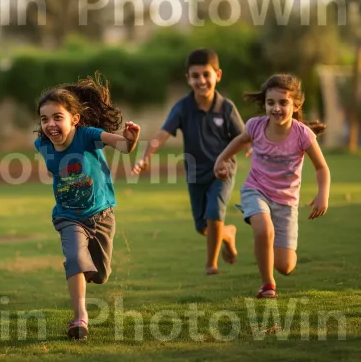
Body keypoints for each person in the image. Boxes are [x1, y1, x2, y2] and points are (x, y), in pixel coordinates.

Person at [34, 72, 140, 339]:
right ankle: (80, 318)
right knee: (74, 259)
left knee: (101, 275)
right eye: (44, 119)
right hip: (68, 216)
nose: (50, 124)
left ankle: (88, 268)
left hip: (101, 213)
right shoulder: (42, 145)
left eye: (58, 117)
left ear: (75, 119)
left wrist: (130, 138)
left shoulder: (89, 135)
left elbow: (124, 148)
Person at [214, 73, 330, 298]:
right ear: (265, 104)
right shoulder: (256, 126)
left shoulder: (303, 134)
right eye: (271, 102)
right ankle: (267, 285)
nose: (276, 108)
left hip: (286, 202)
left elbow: (321, 168)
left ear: (296, 104)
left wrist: (322, 194)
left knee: (285, 265)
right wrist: (221, 159)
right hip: (256, 190)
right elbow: (240, 140)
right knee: (263, 229)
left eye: (283, 102)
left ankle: (275, 267)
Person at [132, 49, 246, 275]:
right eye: (195, 76)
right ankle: (228, 233)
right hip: (195, 172)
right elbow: (162, 134)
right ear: (188, 78)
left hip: (222, 171)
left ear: (218, 75)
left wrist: (244, 152)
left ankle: (211, 264)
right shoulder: (183, 107)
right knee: (203, 227)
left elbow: (243, 138)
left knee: (214, 213)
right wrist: (145, 157)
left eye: (206, 74)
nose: (201, 81)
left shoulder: (227, 108)